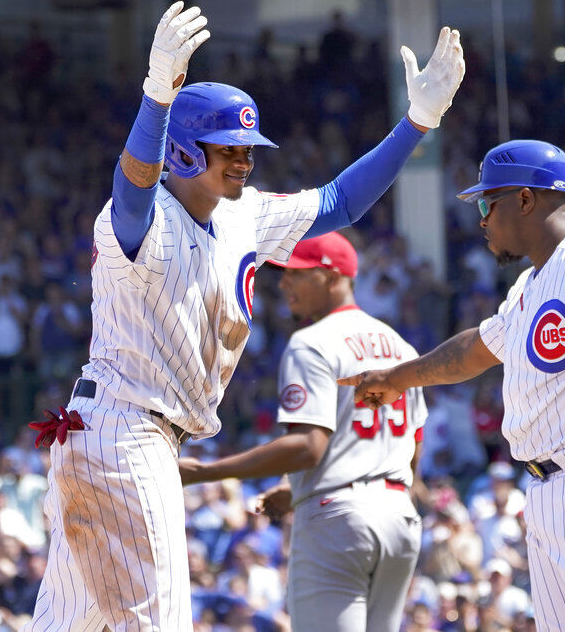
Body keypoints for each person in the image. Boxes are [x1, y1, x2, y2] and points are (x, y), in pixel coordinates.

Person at [24, 1, 463, 631]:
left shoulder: (245, 214)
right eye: (229, 148)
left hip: (120, 435)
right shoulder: (140, 219)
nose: (244, 160)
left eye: (248, 148)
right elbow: (132, 187)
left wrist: (416, 123)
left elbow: (340, 202)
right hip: (125, 432)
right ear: (180, 153)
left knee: (70, 624)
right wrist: (156, 97)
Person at [341, 140, 565, 630]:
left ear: (526, 200)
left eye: (489, 203)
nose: (482, 219)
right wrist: (397, 378)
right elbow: (476, 350)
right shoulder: (532, 283)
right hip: (549, 490)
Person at [179, 232, 427, 632]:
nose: (283, 284)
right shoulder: (401, 347)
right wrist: (297, 488)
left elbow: (308, 448)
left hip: (338, 520)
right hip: (399, 518)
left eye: (296, 273)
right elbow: (413, 448)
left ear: (331, 276)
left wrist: (204, 472)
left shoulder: (312, 342)